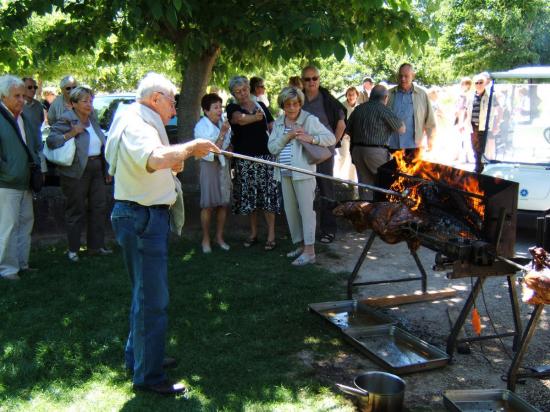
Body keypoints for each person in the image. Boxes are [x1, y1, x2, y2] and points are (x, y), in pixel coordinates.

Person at [105, 72, 218, 395]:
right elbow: (153, 158)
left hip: (138, 215)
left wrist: (175, 160)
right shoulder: (138, 123)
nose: (174, 108)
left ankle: (139, 358)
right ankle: (149, 376)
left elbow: (151, 162)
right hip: (142, 218)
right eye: (172, 101)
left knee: (144, 295)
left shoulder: (131, 116)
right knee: (153, 300)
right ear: (156, 98)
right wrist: (191, 148)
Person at [268, 87, 335, 265]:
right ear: (282, 105)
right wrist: (287, 137)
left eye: (295, 104)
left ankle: (310, 252)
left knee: (307, 212)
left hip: (303, 173)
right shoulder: (279, 123)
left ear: (300, 104)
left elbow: (330, 138)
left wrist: (311, 139)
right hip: (284, 173)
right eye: (288, 104)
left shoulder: (309, 120)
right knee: (291, 212)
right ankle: (301, 246)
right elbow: (272, 148)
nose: (292, 108)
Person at [47, 86, 111, 262]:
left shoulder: (93, 118)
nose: (89, 104)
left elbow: (101, 144)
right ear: (73, 103)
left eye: (90, 100)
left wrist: (107, 168)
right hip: (75, 171)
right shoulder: (67, 119)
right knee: (76, 210)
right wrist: (71, 133)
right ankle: (73, 249)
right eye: (84, 101)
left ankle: (95, 247)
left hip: (97, 167)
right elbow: (52, 141)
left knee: (99, 207)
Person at [226, 75, 281, 251]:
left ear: (248, 87)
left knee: (268, 197)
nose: (242, 94)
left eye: (243, 89)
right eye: (237, 92)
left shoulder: (261, 105)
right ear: (233, 94)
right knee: (250, 199)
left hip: (265, 156)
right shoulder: (232, 107)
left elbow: (272, 126)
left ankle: (271, 235)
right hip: (244, 159)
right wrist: (255, 118)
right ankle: (253, 233)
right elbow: (240, 119)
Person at [0, 75, 42, 281]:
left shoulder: (22, 118)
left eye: (23, 96)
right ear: (2, 97)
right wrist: (7, 170)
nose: (21, 100)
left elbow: (33, 144)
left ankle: (21, 264)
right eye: (16, 96)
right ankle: (7, 270)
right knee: (8, 227)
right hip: (6, 183)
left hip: (24, 181)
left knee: (25, 223)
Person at [301, 65, 346, 244]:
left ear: (319, 79)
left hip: (324, 154)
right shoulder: (298, 99)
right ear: (302, 81)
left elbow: (341, 124)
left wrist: (331, 146)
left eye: (315, 78)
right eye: (307, 79)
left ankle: (328, 230)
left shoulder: (327, 99)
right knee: (305, 192)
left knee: (327, 190)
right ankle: (307, 231)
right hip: (303, 153)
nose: (311, 82)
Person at [346, 84, 405, 200]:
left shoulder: (359, 109)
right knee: (385, 185)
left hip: (357, 151)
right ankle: (381, 213)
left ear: (370, 96)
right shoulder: (384, 109)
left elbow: (348, 130)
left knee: (365, 187)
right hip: (376, 152)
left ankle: (365, 213)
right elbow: (401, 129)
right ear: (385, 98)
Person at [194, 93, 232, 253]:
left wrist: (230, 149)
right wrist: (222, 133)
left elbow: (228, 144)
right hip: (209, 165)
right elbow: (211, 151)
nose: (219, 110)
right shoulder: (200, 127)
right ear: (206, 110)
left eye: (220, 107)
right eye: (215, 107)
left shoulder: (223, 123)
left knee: (223, 204)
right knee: (208, 205)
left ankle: (219, 237)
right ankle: (205, 239)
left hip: (224, 165)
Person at [387, 63, 436, 157]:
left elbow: (429, 120)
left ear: (413, 76)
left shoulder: (422, 94)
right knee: (391, 171)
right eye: (400, 76)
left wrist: (431, 139)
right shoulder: (389, 94)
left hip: (414, 145)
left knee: (412, 171)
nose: (403, 79)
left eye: (406, 76)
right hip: (392, 144)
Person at [464, 73, 499, 173]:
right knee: (474, 147)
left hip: (484, 126)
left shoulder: (491, 96)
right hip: (472, 126)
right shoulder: (470, 96)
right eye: (477, 83)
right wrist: (463, 123)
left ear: (484, 84)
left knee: (482, 148)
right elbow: (467, 110)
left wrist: (496, 124)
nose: (479, 84)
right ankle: (478, 165)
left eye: (481, 82)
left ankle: (479, 168)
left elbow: (499, 110)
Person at [334, 86, 359, 181]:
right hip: (344, 135)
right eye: (349, 94)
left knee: (354, 158)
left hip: (356, 136)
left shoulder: (360, 106)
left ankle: (351, 180)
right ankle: (338, 179)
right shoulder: (341, 106)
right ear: (346, 95)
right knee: (343, 156)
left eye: (353, 94)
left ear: (357, 95)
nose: (351, 96)